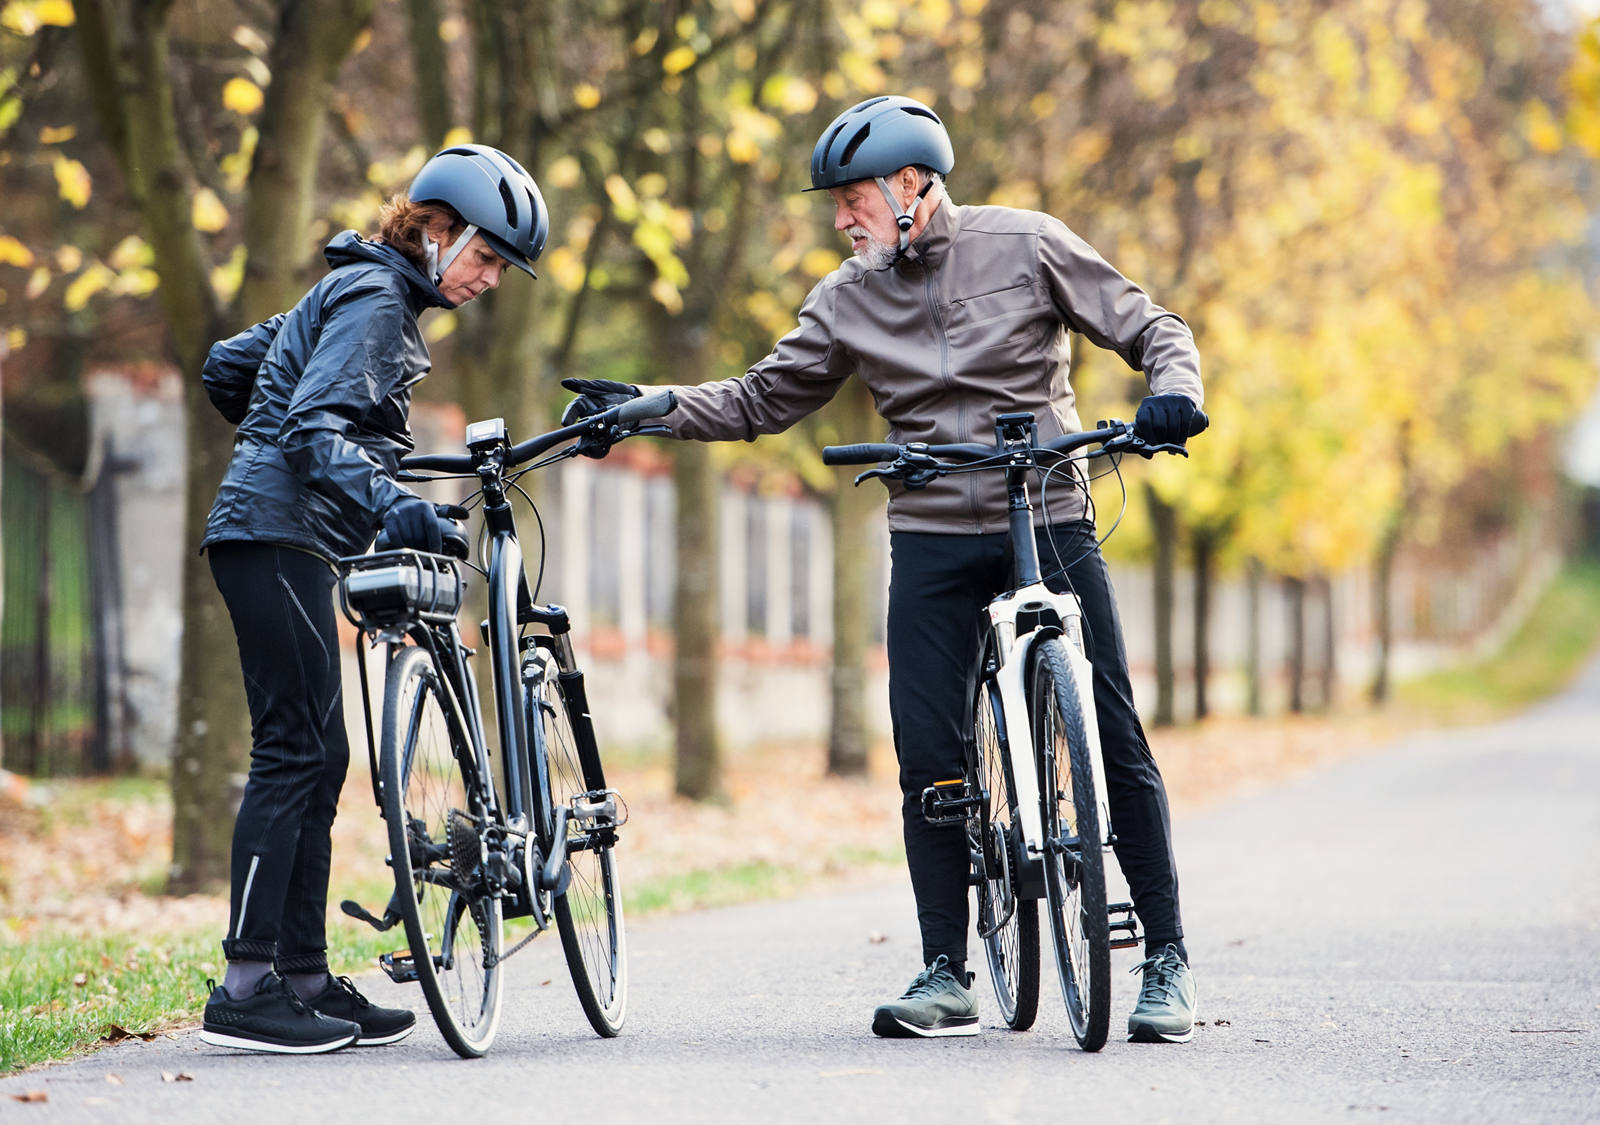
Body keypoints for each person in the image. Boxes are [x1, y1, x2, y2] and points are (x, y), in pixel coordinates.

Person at [561, 96, 1205, 1043]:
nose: (839, 218)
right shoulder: (846, 296)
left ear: (913, 186)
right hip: (933, 530)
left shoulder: (1027, 243)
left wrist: (1174, 393)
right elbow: (761, 397)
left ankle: (1166, 958)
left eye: (852, 197)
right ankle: (947, 966)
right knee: (928, 755)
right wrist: (651, 406)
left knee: (1112, 729)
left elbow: (1150, 326)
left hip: (1049, 509)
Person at [195, 144, 548, 1053]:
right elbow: (313, 424)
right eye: (485, 257)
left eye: (501, 268)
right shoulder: (378, 298)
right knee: (294, 746)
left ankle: (303, 976)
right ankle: (245, 985)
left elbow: (230, 367)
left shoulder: (357, 286)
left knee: (322, 747)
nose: (490, 280)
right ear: (439, 232)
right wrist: (391, 503)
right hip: (275, 535)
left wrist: (290, 451)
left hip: (284, 531)